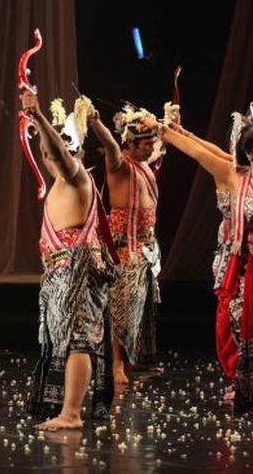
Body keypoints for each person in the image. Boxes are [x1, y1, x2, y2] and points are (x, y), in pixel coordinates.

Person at [143, 115, 253, 415]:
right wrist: (165, 131)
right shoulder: (235, 177)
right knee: (242, 322)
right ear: (249, 153)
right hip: (246, 266)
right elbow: (200, 153)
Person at [21, 92, 118, 430]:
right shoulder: (60, 183)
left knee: (78, 339)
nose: (49, 156)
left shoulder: (76, 175)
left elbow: (62, 157)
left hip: (76, 268)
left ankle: (71, 414)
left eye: (57, 150)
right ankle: (66, 408)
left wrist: (38, 116)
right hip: (60, 270)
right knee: (67, 338)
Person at [90, 105, 163, 385]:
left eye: (152, 144)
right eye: (146, 144)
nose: (151, 149)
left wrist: (168, 126)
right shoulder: (119, 165)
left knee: (140, 305)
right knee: (120, 305)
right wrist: (96, 123)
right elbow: (110, 143)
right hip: (123, 246)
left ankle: (135, 357)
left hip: (145, 246)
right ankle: (116, 363)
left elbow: (160, 144)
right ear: (130, 143)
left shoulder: (144, 162)